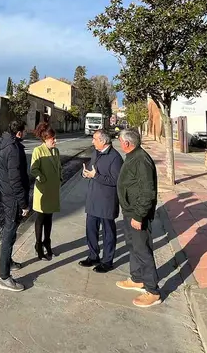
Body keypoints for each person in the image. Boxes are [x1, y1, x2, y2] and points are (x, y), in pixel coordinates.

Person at [115, 129, 161, 308]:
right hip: (129, 211)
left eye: (120, 141)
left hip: (137, 214)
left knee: (142, 250)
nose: (119, 143)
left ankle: (153, 290)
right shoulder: (133, 156)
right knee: (132, 246)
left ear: (127, 143)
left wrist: (139, 215)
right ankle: (137, 278)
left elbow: (147, 191)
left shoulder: (141, 160)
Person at [79, 129, 123, 273]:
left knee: (108, 232)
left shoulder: (115, 158)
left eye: (95, 139)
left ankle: (107, 261)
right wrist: (86, 174)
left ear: (103, 141)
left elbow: (117, 181)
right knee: (91, 229)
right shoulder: (96, 153)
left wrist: (95, 176)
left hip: (107, 201)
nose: (92, 141)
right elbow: (93, 172)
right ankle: (93, 256)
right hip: (93, 199)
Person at [0, 120, 30, 292]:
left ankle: (8, 262)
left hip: (8, 195)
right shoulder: (13, 150)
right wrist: (23, 203)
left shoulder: (7, 143)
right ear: (18, 133)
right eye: (24, 131)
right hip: (13, 199)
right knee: (9, 234)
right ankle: (4, 276)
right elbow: (15, 180)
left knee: (12, 231)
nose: (25, 133)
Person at [31, 122, 61, 261]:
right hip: (42, 190)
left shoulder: (56, 151)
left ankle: (47, 242)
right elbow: (33, 169)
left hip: (53, 190)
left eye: (55, 138)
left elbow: (59, 167)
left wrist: (60, 177)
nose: (55, 141)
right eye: (52, 139)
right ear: (45, 139)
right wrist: (41, 177)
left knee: (49, 218)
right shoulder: (38, 150)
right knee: (40, 218)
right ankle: (38, 245)